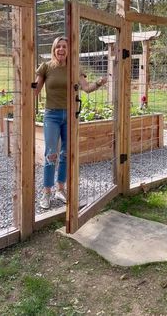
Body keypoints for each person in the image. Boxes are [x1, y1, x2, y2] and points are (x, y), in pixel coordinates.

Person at [34, 36, 107, 209]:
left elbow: (87, 88)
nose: (61, 49)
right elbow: (35, 89)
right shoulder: (46, 67)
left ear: (68, 50)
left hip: (70, 116)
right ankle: (46, 193)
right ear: (53, 49)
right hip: (51, 116)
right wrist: (25, 85)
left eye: (64, 47)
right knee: (51, 154)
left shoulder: (75, 68)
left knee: (66, 153)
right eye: (58, 46)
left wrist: (99, 83)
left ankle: (60, 189)